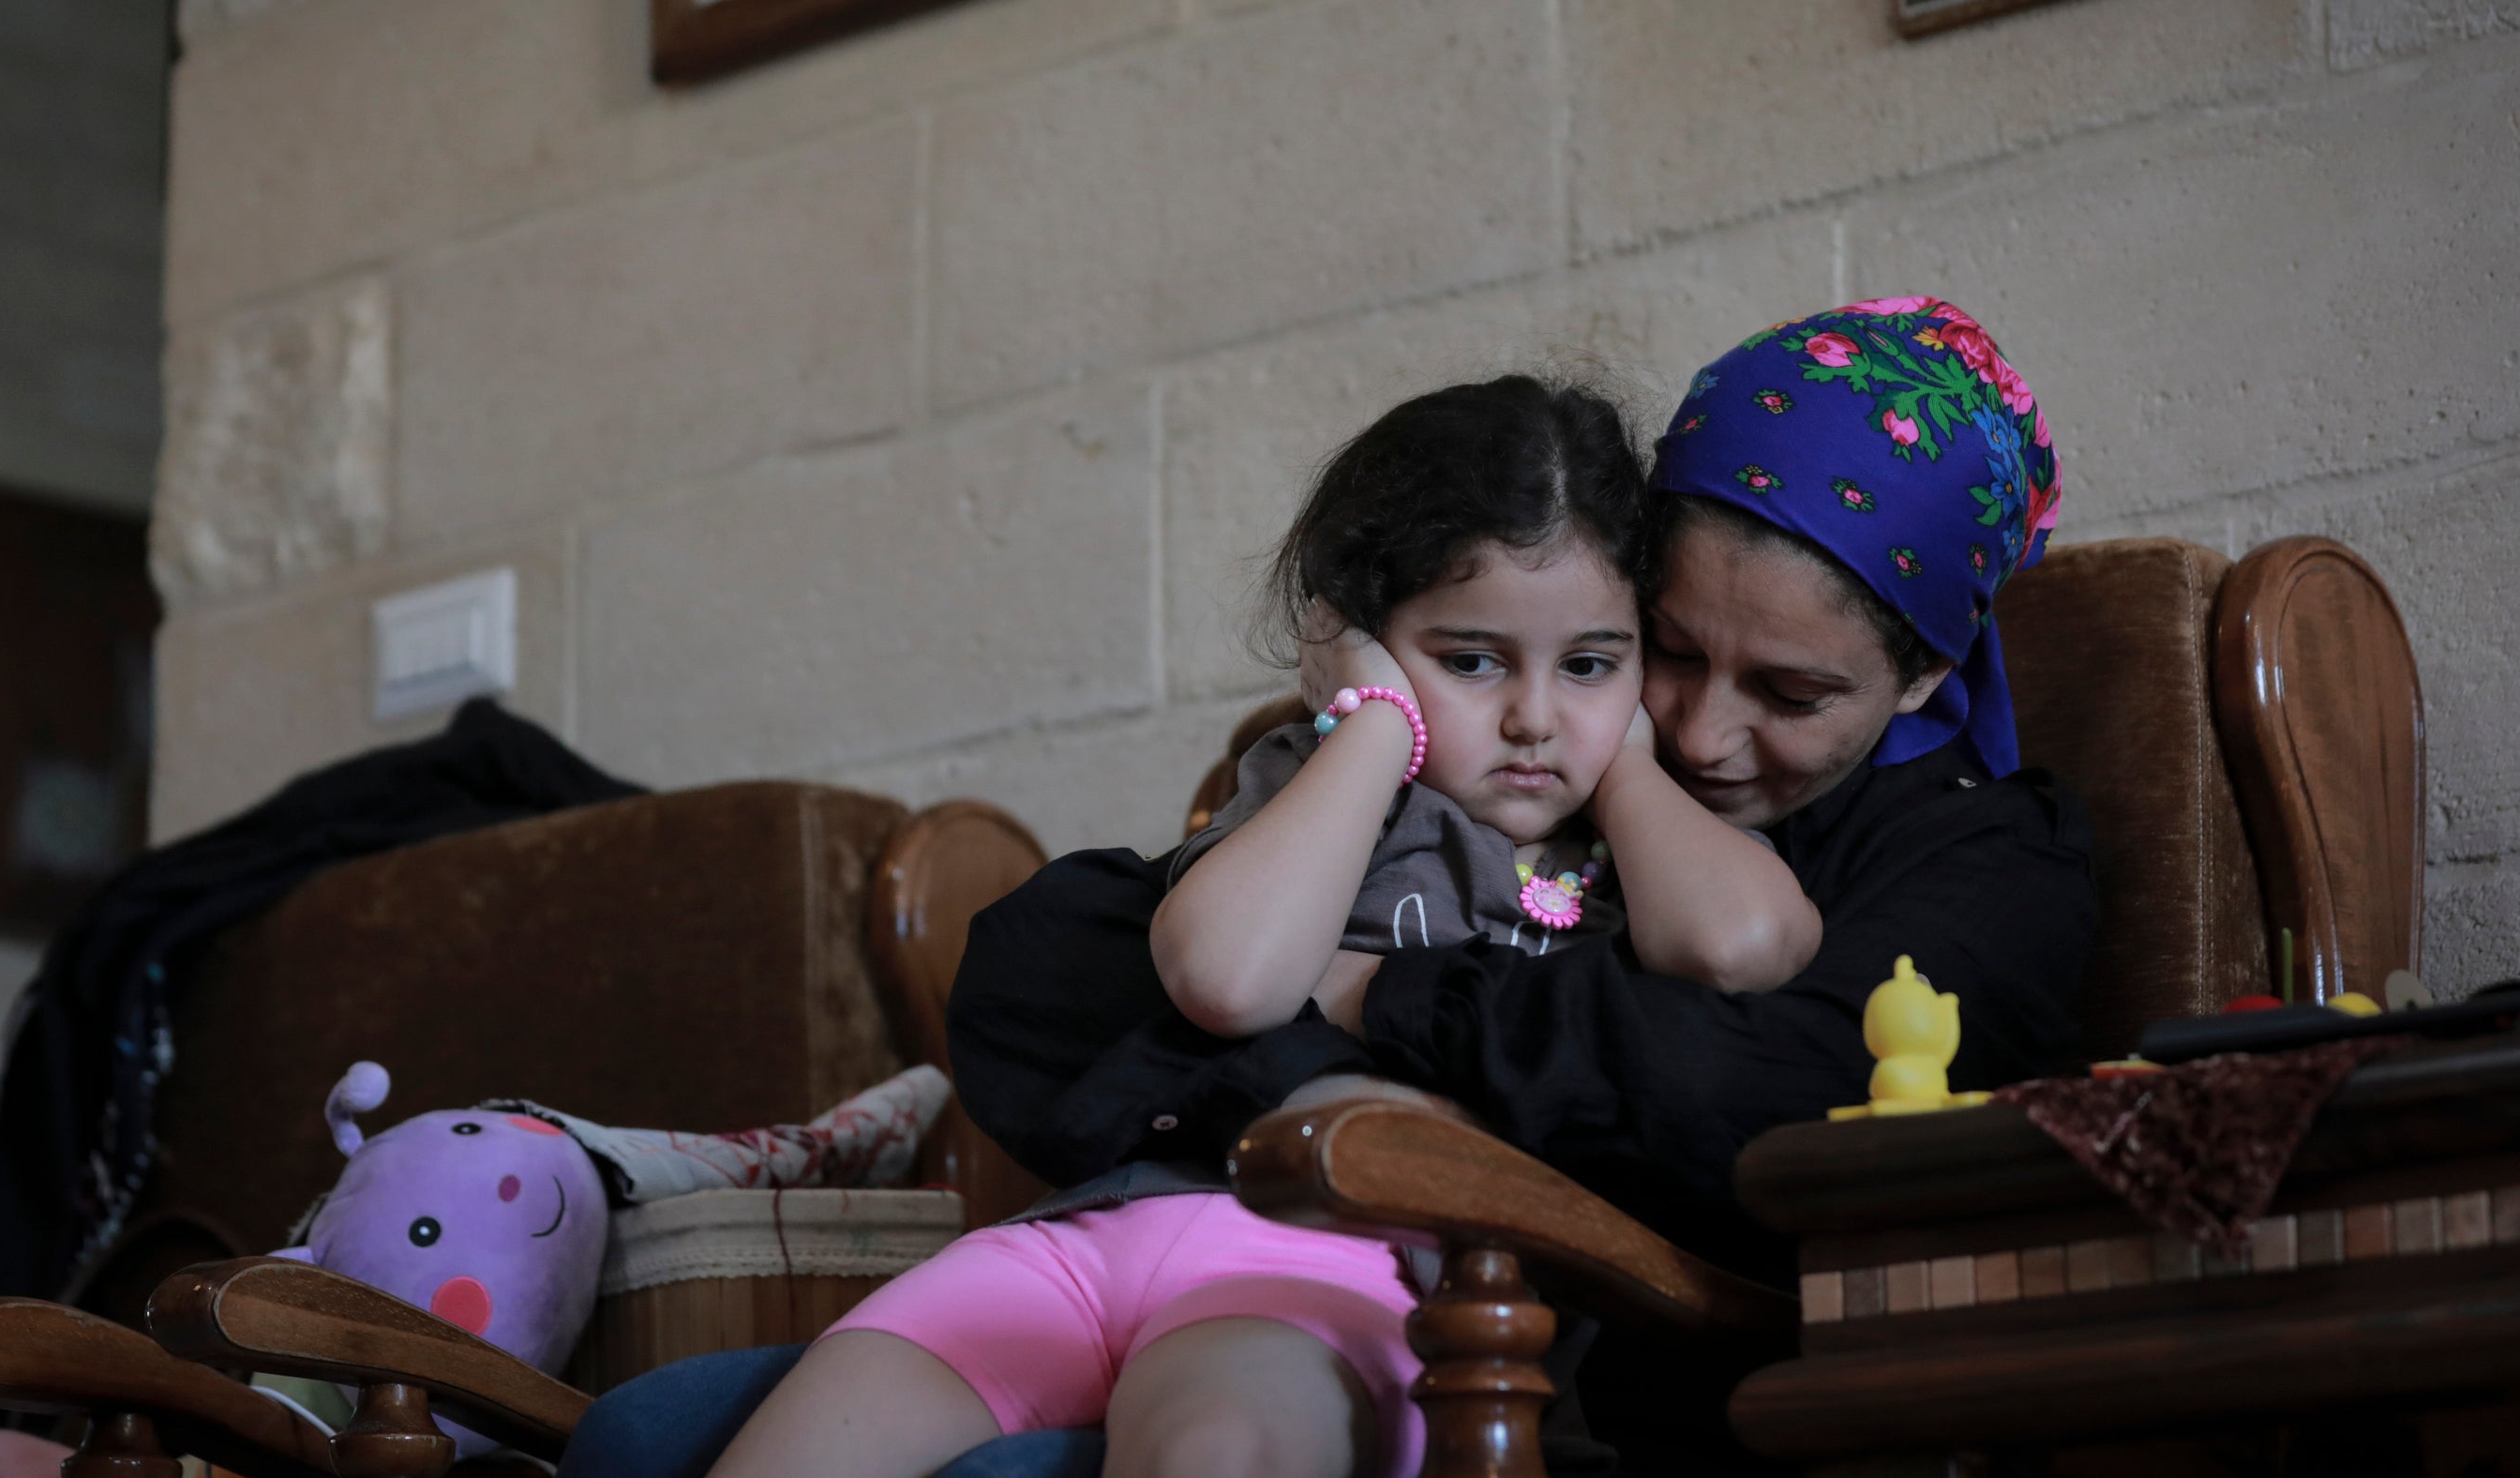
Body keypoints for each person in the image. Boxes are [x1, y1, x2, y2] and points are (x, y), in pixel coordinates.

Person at [562, 301, 2094, 1477]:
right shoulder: (1397, 765)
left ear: (1922, 677)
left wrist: (1370, 999)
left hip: (1490, 1323)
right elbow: (1050, 976)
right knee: (644, 1435)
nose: (1698, 731)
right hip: (1134, 1243)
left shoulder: (1971, 861)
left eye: (1792, 692)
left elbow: (1750, 1092)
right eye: (1676, 654)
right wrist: (1384, 770)